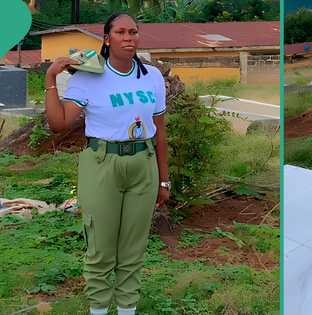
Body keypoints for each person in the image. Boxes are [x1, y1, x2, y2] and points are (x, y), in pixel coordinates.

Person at [44, 12, 170, 315]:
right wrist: (50, 79)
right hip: (101, 163)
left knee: (133, 248)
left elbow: (161, 130)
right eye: (121, 32)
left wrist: (164, 180)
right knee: (100, 249)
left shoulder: (151, 76)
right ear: (107, 38)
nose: (128, 38)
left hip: (143, 163)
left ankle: (128, 309)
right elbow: (60, 124)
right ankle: (99, 309)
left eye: (133, 32)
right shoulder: (90, 75)